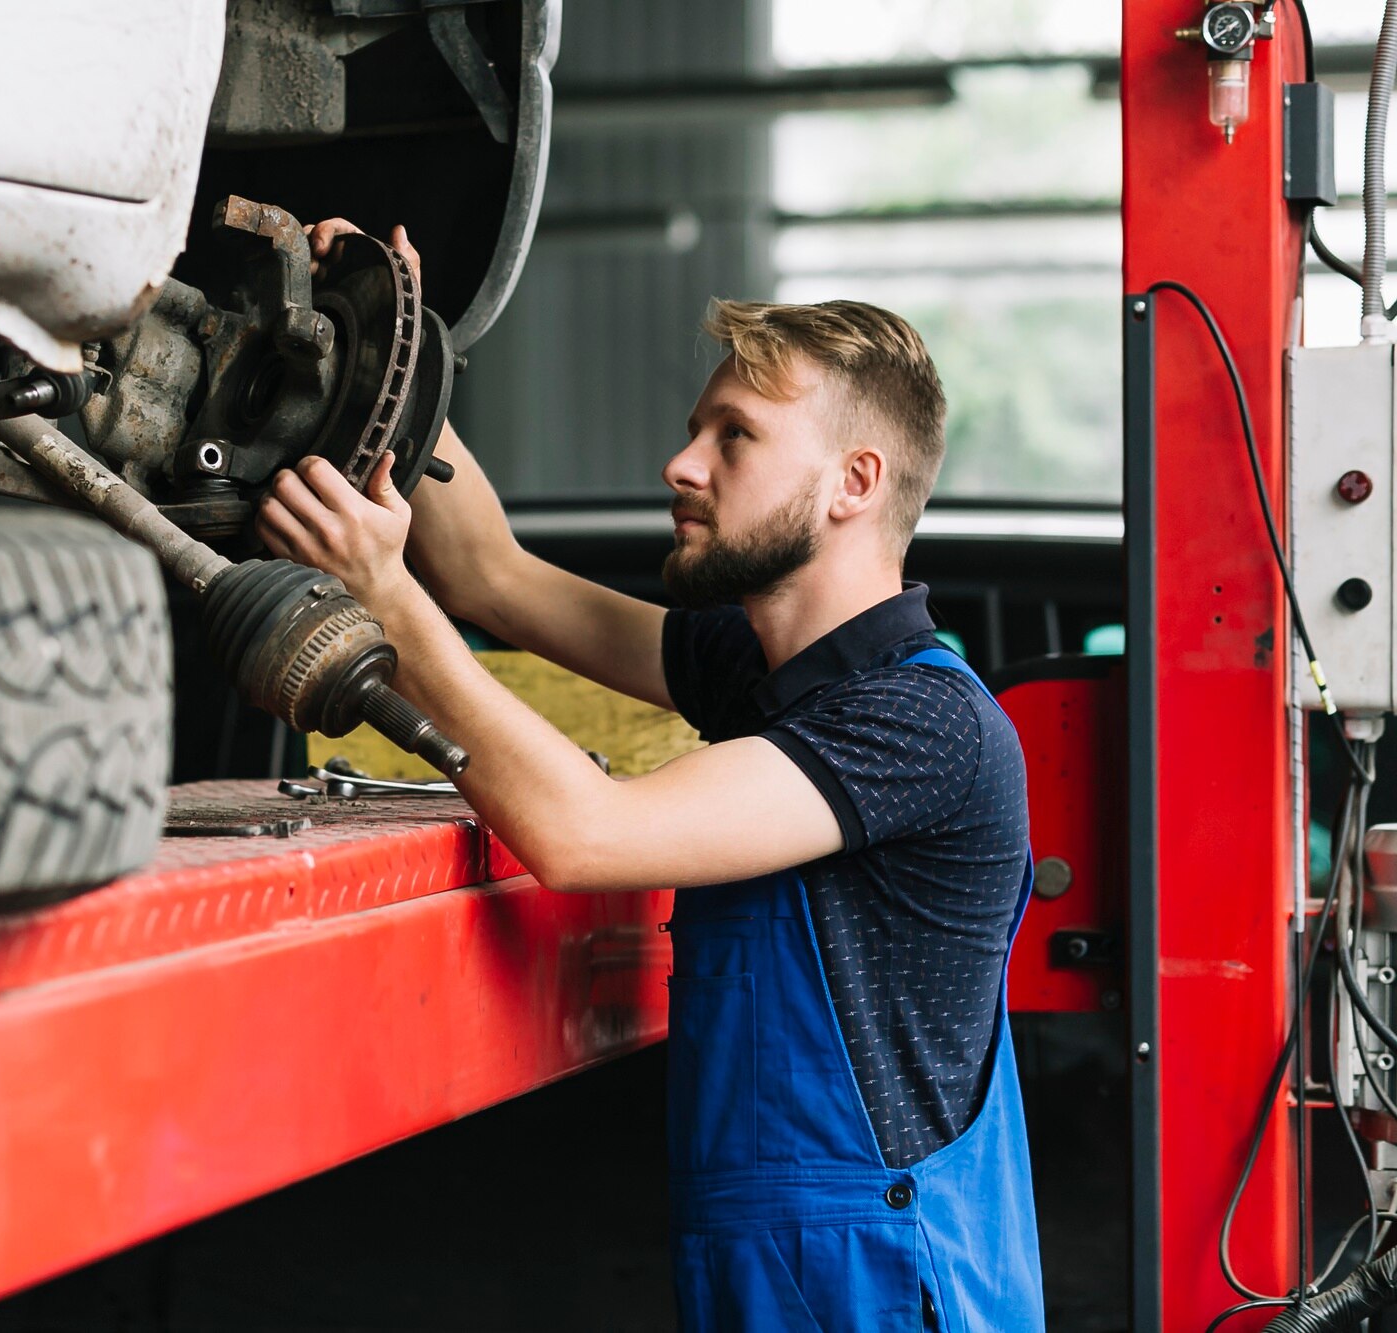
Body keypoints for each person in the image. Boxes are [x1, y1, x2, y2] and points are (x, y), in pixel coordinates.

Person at [259, 220, 1043, 1331]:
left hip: (876, 1281)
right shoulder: (768, 673)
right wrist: (391, 356)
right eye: (695, 431)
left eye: (735, 437)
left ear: (851, 483)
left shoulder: (919, 722)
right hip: (775, 1257)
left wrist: (386, 603)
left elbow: (589, 836)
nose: (680, 464)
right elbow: (493, 575)